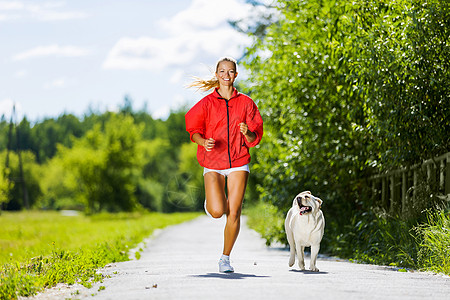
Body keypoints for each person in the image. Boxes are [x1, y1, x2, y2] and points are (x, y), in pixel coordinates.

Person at [185, 57, 263, 273]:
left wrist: (248, 133)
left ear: (235, 75)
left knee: (235, 212)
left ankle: (225, 258)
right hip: (213, 162)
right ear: (217, 75)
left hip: (238, 161)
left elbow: (255, 137)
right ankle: (212, 201)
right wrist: (203, 141)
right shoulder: (207, 103)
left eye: (230, 72)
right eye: (222, 71)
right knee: (218, 211)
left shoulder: (246, 103)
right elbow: (193, 130)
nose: (226, 75)